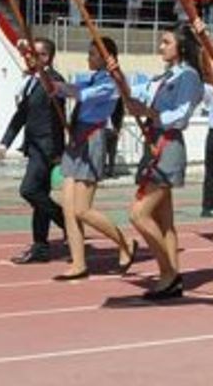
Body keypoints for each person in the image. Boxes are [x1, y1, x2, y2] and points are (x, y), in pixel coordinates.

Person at [124, 24, 204, 299]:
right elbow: (139, 92)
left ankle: (168, 270)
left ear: (180, 47)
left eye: (166, 42)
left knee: (139, 214)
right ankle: (171, 278)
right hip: (154, 142)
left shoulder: (189, 77)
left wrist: (150, 113)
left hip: (167, 145)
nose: (160, 47)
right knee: (164, 220)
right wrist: (118, 80)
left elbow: (181, 116)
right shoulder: (163, 76)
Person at [54, 37, 136, 280]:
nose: (88, 58)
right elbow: (75, 89)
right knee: (69, 209)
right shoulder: (90, 77)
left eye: (93, 54)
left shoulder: (111, 83)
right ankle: (79, 263)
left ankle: (125, 242)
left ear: (106, 57)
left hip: (92, 139)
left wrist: (59, 88)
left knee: (82, 210)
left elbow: (82, 95)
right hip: (76, 138)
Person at [0, 38, 67, 265]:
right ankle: (41, 246)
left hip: (46, 148)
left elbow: (57, 101)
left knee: (28, 190)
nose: (27, 58)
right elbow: (21, 116)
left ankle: (66, 220)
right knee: (40, 197)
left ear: (45, 58)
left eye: (33, 54)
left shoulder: (53, 80)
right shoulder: (31, 82)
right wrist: (4, 143)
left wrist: (57, 150)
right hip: (34, 146)